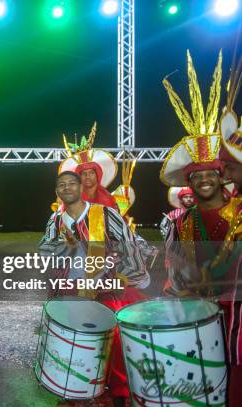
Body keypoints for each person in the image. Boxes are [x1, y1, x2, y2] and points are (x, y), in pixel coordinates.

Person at [161, 49, 241, 404]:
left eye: (212, 174)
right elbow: (177, 270)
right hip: (200, 318)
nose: (206, 180)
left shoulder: (239, 214)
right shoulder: (182, 223)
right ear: (189, 183)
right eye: (198, 176)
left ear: (222, 178)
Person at [38, 171, 149, 406]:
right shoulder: (56, 221)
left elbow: (130, 248)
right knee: (76, 348)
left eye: (71, 183)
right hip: (70, 292)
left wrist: (125, 276)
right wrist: (62, 248)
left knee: (111, 346)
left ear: (80, 188)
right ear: (57, 192)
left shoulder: (105, 214)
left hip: (104, 291)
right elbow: (44, 253)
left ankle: (117, 395)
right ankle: (78, 393)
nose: (66, 188)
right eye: (61, 185)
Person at [60, 122, 118, 210]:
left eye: (91, 173)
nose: (87, 176)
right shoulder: (71, 199)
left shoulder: (108, 199)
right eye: (84, 173)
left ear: (97, 175)